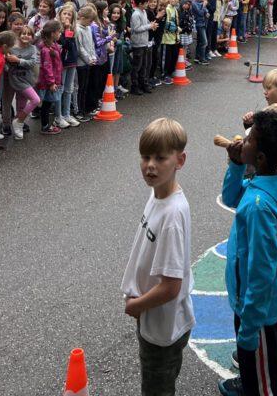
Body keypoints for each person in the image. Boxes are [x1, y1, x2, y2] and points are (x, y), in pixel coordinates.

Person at [219, 107, 277, 396]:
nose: (244, 141)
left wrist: (250, 329)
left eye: (250, 139)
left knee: (263, 383)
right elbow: (230, 197)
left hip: (257, 311)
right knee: (257, 373)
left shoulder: (258, 206)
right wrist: (235, 163)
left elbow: (260, 272)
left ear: (262, 158)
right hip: (259, 305)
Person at [121, 118, 194, 396]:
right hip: (153, 316)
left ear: (180, 160)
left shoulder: (173, 214)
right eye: (145, 157)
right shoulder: (157, 194)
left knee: (157, 387)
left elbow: (171, 285)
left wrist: (136, 305)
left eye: (160, 158)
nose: (150, 165)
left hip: (163, 325)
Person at [6, 23, 41, 140]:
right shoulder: (12, 49)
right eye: (23, 34)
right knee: (35, 100)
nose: (26, 36)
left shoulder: (33, 48)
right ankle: (18, 121)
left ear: (32, 37)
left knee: (21, 105)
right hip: (16, 79)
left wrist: (18, 60)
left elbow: (32, 63)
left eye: (29, 34)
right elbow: (6, 64)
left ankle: (18, 125)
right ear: (19, 35)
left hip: (27, 79)